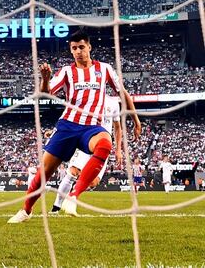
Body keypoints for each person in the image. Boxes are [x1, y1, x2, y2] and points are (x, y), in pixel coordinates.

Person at [8, 30, 142, 223]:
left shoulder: (104, 69)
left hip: (91, 128)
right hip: (68, 126)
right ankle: (26, 211)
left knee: (105, 144)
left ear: (89, 47)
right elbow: (46, 93)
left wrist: (136, 120)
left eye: (81, 47)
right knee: (43, 174)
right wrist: (45, 78)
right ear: (71, 51)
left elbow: (124, 94)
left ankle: (73, 196)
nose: (78, 51)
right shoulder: (66, 72)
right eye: (74, 48)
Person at [51, 95, 122, 213]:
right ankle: (56, 208)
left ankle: (72, 194)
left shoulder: (113, 103)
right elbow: (69, 117)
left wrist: (118, 149)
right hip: (87, 141)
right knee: (72, 172)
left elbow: (117, 127)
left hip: (103, 146)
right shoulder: (87, 97)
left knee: (93, 182)